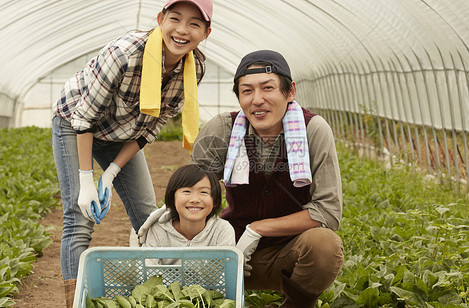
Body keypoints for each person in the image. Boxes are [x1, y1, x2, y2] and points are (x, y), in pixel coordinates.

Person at [139, 50, 344, 307]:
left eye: (267, 88)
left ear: (289, 91)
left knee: (324, 246)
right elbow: (193, 191)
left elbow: (327, 212)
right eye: (247, 91)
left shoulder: (312, 130)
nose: (257, 100)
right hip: (228, 246)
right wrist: (164, 220)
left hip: (289, 251)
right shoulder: (222, 130)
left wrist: (257, 229)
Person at [51, 0, 212, 306]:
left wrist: (111, 174)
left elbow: (151, 128)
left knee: (148, 215)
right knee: (78, 215)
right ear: (160, 18)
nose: (181, 30)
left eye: (194, 24)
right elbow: (84, 119)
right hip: (75, 122)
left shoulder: (194, 68)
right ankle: (75, 301)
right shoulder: (124, 53)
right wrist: (88, 181)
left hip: (123, 133)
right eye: (175, 18)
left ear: (205, 32)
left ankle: (167, 296)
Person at [141, 164, 235, 261]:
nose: (195, 200)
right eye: (186, 191)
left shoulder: (222, 230)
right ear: (173, 198)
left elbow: (226, 270)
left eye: (204, 192)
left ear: (215, 201)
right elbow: (147, 268)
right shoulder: (158, 230)